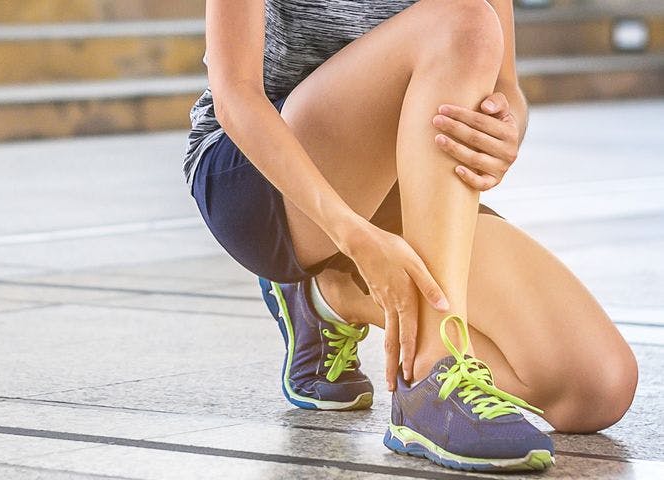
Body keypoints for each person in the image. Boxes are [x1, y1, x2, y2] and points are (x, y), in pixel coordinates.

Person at [182, 0, 638, 472]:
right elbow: (235, 94)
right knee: (464, 21)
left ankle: (331, 298)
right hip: (265, 178)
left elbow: (505, 90)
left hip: (402, 184)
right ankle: (431, 380)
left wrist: (505, 133)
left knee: (596, 388)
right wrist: (351, 233)